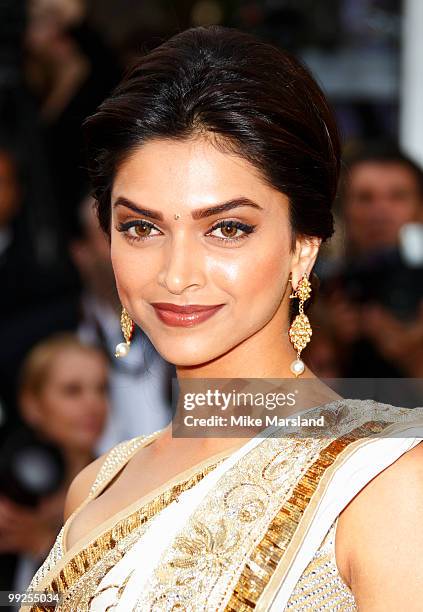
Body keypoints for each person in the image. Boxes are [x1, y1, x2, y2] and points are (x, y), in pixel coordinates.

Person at [23, 26, 423, 611]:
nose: (176, 272)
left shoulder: (386, 480)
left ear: (302, 246)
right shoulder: (97, 485)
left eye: (227, 228)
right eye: (142, 227)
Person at [0, 333, 108, 599]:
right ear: (32, 405)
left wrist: (44, 546)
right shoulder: (10, 489)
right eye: (72, 390)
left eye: (102, 389)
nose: (93, 404)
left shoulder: (122, 485)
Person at [70, 195, 175, 452]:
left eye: (141, 232)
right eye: (111, 234)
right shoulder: (50, 333)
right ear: (80, 253)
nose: (129, 248)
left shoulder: (193, 317)